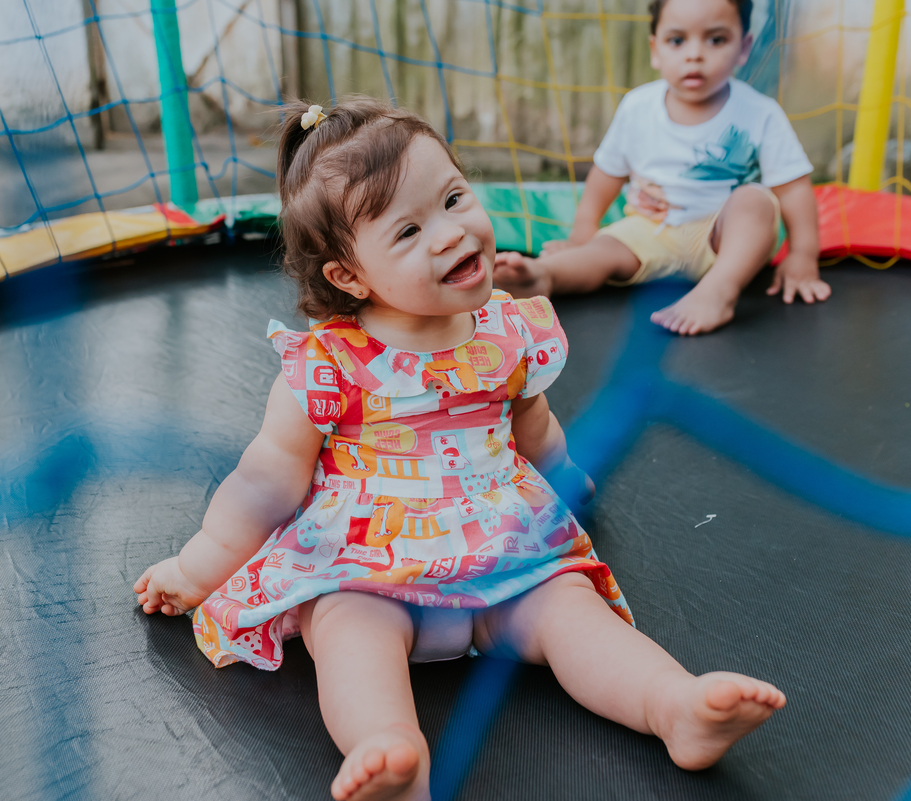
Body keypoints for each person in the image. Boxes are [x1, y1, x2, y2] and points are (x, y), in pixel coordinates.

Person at [134, 97, 786, 801]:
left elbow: (532, 425)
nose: (451, 233)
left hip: (507, 550)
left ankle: (673, 704)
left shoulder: (507, 330)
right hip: (367, 564)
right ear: (348, 276)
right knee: (348, 630)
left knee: (569, 608)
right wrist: (196, 567)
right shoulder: (326, 364)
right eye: (410, 230)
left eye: (453, 199)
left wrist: (565, 476)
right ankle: (391, 749)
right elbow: (265, 482)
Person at [494, 0, 831, 336]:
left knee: (755, 201)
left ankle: (719, 291)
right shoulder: (638, 107)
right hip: (651, 231)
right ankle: (544, 275)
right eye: (677, 40)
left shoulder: (761, 113)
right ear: (655, 50)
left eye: (716, 40)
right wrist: (583, 231)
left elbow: (793, 188)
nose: (694, 55)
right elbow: (607, 174)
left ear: (744, 48)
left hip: (724, 241)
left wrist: (803, 255)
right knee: (602, 250)